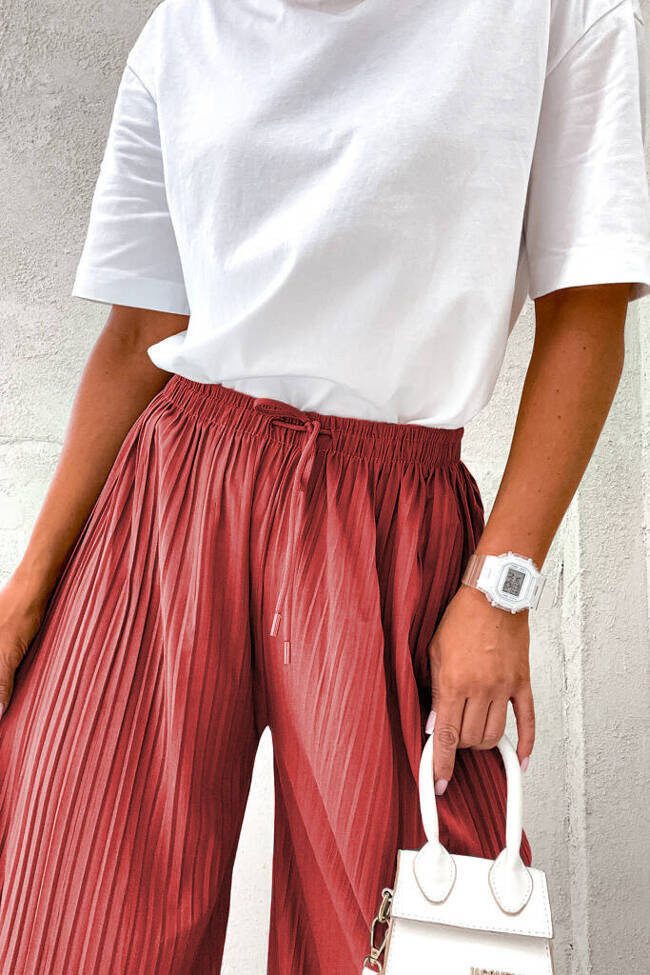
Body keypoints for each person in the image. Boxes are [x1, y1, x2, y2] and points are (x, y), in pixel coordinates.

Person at [1, 0, 649, 972]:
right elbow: (139, 336)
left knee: (407, 939)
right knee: (75, 915)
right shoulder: (186, 30)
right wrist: (26, 593)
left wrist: (502, 587)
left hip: (389, 519)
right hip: (172, 496)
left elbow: (587, 312)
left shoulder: (556, 15)